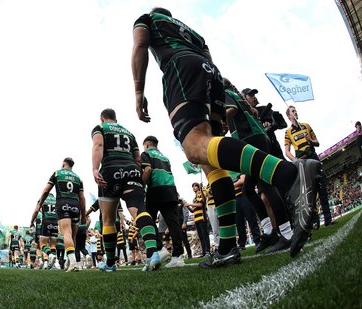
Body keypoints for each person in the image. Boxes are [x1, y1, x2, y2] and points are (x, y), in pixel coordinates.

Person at [131, 7, 322, 261]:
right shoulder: (190, 32)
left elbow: (141, 43)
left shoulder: (149, 19)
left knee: (194, 147)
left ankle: (289, 175)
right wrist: (218, 110)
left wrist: (138, 91)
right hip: (209, 74)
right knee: (211, 161)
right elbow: (209, 59)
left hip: (180, 69)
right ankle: (227, 246)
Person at [225, 79, 293, 253]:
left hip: (251, 139)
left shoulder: (226, 93)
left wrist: (219, 122)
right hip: (257, 138)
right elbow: (254, 113)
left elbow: (231, 110)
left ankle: (287, 234)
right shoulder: (237, 95)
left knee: (266, 185)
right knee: (248, 189)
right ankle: (270, 231)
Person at [92, 108, 160, 272]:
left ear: (102, 118)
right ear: (115, 119)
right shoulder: (129, 133)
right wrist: (136, 179)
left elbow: (98, 144)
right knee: (139, 209)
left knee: (108, 219)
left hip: (110, 170)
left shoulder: (100, 128)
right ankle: (153, 253)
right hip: (131, 170)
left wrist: (95, 169)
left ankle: (110, 263)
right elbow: (138, 159)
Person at [141, 135, 186, 267]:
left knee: (147, 220)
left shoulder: (146, 153)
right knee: (173, 223)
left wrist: (143, 184)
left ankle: (161, 249)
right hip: (171, 190)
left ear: (147, 145)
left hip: (156, 190)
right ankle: (178, 256)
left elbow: (148, 169)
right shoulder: (165, 157)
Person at [284, 106, 333, 227]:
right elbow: (287, 152)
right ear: (289, 116)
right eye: (293, 111)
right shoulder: (288, 132)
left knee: (322, 187)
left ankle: (328, 219)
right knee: (309, 192)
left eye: (296, 110)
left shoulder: (306, 125)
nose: (295, 112)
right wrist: (296, 161)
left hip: (314, 157)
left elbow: (317, 142)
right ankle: (315, 221)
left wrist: (310, 141)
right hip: (303, 161)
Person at [36, 157, 86, 272]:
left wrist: (40, 203)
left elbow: (46, 191)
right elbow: (82, 198)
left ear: (64, 164)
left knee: (66, 233)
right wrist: (83, 215)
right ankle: (73, 262)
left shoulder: (57, 173)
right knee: (73, 236)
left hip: (63, 202)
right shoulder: (78, 178)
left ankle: (72, 263)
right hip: (75, 204)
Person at [241, 88, 287, 160]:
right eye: (250, 95)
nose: (254, 97)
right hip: (255, 154)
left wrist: (271, 124)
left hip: (273, 150)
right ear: (243, 98)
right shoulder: (242, 117)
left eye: (254, 95)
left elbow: (281, 123)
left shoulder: (264, 109)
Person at [30, 193, 58, 270]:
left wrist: (31, 221)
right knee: (52, 245)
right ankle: (53, 263)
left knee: (41, 244)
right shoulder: (56, 200)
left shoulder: (43, 199)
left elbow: (36, 211)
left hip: (46, 222)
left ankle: (49, 256)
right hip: (55, 222)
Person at [184, 183, 211, 257]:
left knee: (205, 235)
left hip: (202, 217)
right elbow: (193, 210)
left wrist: (189, 204)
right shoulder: (194, 198)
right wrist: (187, 205)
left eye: (195, 186)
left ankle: (208, 251)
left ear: (198, 187)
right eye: (192, 187)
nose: (194, 188)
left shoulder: (200, 194)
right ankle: (204, 252)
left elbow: (201, 204)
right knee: (201, 236)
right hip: (196, 219)